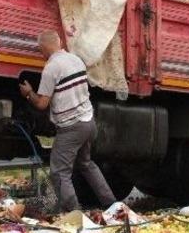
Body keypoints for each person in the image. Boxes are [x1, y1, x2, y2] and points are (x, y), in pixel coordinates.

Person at [19, 31, 116, 212]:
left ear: (43, 49)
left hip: (72, 127)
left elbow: (41, 103)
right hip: (89, 122)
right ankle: (112, 204)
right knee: (86, 163)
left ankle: (74, 213)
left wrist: (28, 93)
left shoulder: (51, 68)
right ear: (59, 42)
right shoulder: (76, 60)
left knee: (59, 172)